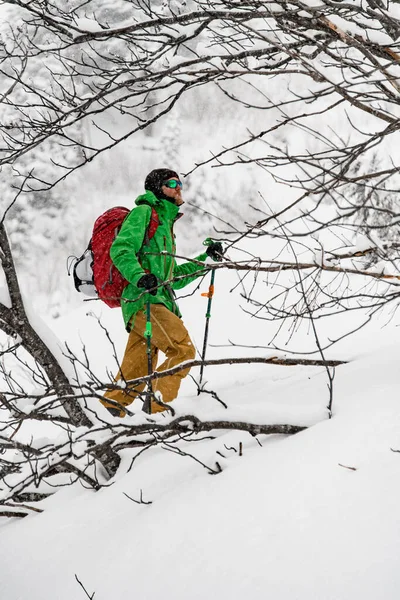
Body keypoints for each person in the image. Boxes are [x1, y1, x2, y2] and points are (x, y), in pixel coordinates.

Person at [100, 168, 222, 417]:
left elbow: (172, 278)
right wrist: (140, 277)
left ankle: (104, 416)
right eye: (172, 182)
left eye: (180, 182)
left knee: (135, 372)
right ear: (158, 188)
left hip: (156, 301)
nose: (179, 187)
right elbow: (121, 249)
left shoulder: (165, 224)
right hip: (145, 300)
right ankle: (160, 408)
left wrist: (205, 260)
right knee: (182, 350)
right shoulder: (144, 213)